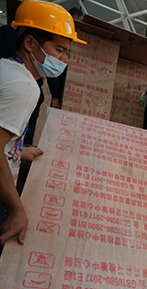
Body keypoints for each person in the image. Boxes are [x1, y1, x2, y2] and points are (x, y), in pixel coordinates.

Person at [0, 1, 85, 245]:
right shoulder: (24, 88)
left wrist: (16, 149)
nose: (64, 59)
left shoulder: (6, 68)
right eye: (59, 50)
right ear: (30, 43)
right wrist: (16, 210)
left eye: (67, 52)